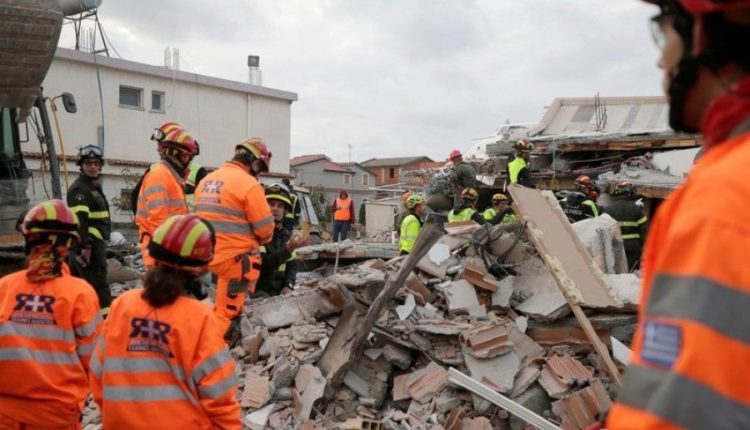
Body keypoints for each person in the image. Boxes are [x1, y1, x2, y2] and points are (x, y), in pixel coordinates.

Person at [607, 1, 750, 428]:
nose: (659, 57)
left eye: (663, 31)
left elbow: (684, 411)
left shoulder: (725, 194)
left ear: (705, 33)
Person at [90, 214, 241, 429]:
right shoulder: (199, 318)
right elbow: (220, 399)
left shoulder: (122, 305)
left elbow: (97, 373)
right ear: (201, 267)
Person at [0, 199, 101, 428]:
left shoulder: (5, 287)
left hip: (5, 414)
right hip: (57, 414)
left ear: (28, 239)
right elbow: (94, 360)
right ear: (69, 246)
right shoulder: (79, 293)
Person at [195, 137, 274, 335]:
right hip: (235, 263)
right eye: (260, 168)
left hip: (205, 259)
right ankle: (215, 354)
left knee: (208, 307)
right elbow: (265, 230)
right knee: (226, 314)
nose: (259, 174)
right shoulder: (249, 185)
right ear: (254, 162)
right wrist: (261, 240)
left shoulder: (206, 181)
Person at [135, 128, 198, 268]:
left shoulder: (169, 177)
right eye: (190, 157)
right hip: (162, 255)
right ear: (185, 156)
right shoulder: (160, 176)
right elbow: (158, 221)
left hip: (167, 252)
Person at [67, 144, 112, 313]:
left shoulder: (92, 187)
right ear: (81, 166)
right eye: (88, 163)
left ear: (100, 165)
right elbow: (81, 221)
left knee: (93, 285)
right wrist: (85, 247)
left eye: (95, 163)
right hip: (88, 248)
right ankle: (104, 322)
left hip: (94, 244)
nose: (93, 166)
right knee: (98, 287)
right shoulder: (80, 189)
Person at [256, 183, 308, 296]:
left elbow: (291, 266)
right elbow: (263, 265)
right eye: (271, 204)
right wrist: (288, 249)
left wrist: (288, 285)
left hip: (277, 292)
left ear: (285, 211)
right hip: (257, 291)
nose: (275, 208)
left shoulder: (285, 235)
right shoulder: (256, 234)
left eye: (280, 206)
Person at [130, 121, 185, 214]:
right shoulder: (154, 170)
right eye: (158, 144)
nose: (158, 149)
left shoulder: (198, 172)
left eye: (162, 145)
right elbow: (136, 197)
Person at [603, 181, 648, 271]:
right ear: (629, 193)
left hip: (614, 247)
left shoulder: (607, 209)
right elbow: (644, 231)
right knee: (631, 273)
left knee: (615, 274)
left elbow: (603, 231)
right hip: (632, 248)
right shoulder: (636, 209)